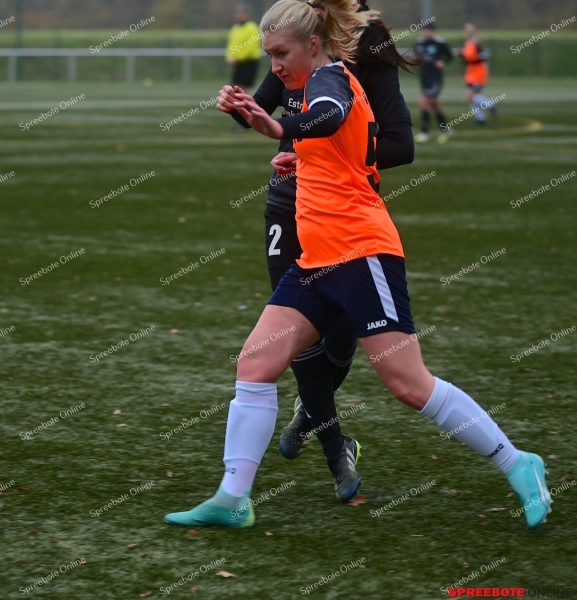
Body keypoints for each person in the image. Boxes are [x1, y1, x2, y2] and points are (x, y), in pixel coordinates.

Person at [165, 0, 551, 530]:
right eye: (270, 54)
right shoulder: (308, 84)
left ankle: (518, 461)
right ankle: (234, 497)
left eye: (282, 53)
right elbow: (341, 145)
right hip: (317, 259)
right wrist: (295, 148)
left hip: (360, 251)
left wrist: (282, 132)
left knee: (408, 384)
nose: (273, 65)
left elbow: (331, 115)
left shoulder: (331, 79)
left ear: (314, 44)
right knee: (255, 365)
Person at [216, 0, 415, 504]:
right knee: (287, 341)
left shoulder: (368, 46)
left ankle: (314, 413)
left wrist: (330, 154)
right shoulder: (292, 37)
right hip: (290, 208)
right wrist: (242, 106)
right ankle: (334, 450)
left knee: (343, 343)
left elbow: (398, 145)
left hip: (343, 213)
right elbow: (263, 110)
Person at [411, 22, 453, 144]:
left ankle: (425, 132)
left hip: (435, 78)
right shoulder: (419, 43)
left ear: (433, 31)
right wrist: (415, 60)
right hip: (424, 77)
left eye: (428, 30)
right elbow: (416, 57)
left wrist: (443, 62)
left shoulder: (440, 43)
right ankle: (446, 129)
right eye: (424, 30)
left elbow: (449, 56)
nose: (426, 33)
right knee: (434, 104)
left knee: (424, 102)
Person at [460, 23, 498, 125]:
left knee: (470, 96)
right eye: (467, 31)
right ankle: (481, 119)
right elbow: (467, 59)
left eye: (470, 30)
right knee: (470, 98)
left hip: (478, 74)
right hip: (471, 74)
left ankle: (491, 105)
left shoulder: (476, 43)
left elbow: (482, 57)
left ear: (474, 31)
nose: (468, 33)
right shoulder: (468, 43)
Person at [225, 5, 264, 96]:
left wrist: (238, 58)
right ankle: (244, 106)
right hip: (238, 63)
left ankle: (247, 107)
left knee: (242, 87)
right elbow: (231, 45)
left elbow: (250, 47)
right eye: (238, 14)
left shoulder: (252, 27)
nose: (240, 16)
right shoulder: (235, 29)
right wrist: (230, 58)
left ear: (247, 15)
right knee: (237, 87)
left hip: (248, 62)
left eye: (242, 14)